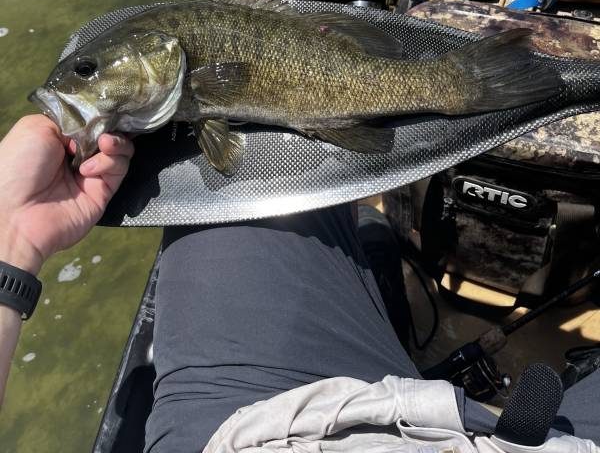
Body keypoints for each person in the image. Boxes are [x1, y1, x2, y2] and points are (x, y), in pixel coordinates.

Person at [0, 116, 599, 452]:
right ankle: (374, 250)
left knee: (237, 161)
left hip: (253, 433)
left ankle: (374, 252)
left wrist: (16, 234)